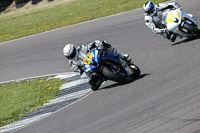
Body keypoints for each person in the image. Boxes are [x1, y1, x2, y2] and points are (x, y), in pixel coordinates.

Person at [63, 40, 130, 90]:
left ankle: (122, 56)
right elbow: (80, 73)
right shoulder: (72, 63)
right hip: (90, 69)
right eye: (69, 56)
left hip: (94, 58)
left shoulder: (82, 48)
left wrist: (98, 44)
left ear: (75, 49)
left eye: (72, 54)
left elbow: (93, 44)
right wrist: (86, 74)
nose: (71, 57)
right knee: (93, 86)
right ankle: (102, 78)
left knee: (105, 44)